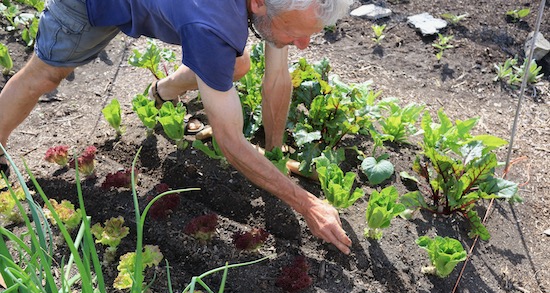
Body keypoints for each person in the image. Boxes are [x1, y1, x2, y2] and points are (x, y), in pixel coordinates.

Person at [0, 0, 353, 254]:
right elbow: (230, 141)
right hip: (90, 6)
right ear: (259, 4)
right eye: (297, 32)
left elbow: (277, 79)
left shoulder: (279, 6)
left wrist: (273, 155)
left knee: (236, 63)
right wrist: (308, 205)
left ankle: (162, 91)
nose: (304, 44)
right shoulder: (212, 24)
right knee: (44, 76)